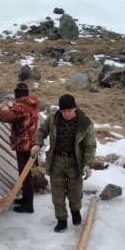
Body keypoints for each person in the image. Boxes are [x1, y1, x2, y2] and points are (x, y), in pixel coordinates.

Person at [31, 94, 96, 232]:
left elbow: (90, 146)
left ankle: (75, 211)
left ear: (74, 108)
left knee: (75, 191)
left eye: (69, 111)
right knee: (57, 193)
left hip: (75, 162)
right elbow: (42, 131)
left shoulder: (85, 123)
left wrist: (88, 165)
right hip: (57, 161)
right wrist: (37, 144)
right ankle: (61, 219)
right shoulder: (54, 119)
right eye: (63, 111)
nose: (66, 114)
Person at [0, 83, 39, 213]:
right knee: (26, 174)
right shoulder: (31, 103)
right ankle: (26, 199)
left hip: (25, 145)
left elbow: (4, 116)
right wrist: (15, 100)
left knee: (25, 175)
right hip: (31, 143)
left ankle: (28, 205)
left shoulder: (22, 107)